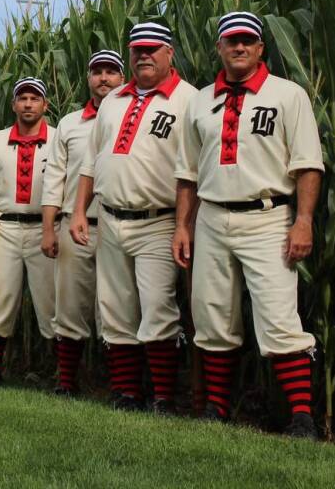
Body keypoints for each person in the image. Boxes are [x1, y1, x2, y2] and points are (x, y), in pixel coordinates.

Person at [173, 11, 324, 438]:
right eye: (230, 41)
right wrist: (183, 226)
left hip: (268, 216)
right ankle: (218, 409)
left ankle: (301, 418)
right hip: (213, 217)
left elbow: (308, 165)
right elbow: (187, 172)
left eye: (247, 41)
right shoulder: (200, 101)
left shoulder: (288, 95)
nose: (238, 47)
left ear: (260, 48)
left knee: (278, 319)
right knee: (213, 316)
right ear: (219, 48)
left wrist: (304, 221)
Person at [72, 22, 198, 413]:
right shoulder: (113, 101)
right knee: (115, 307)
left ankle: (162, 397)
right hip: (109, 217)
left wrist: (183, 225)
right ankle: (126, 394)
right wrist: (79, 210)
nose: (144, 55)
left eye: (152, 49)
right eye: (137, 50)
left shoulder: (189, 100)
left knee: (159, 306)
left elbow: (191, 172)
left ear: (169, 53)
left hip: (158, 220)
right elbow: (92, 163)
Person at [41, 50, 125, 394]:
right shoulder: (70, 123)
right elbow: (54, 180)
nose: (103, 78)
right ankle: (67, 383)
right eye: (96, 72)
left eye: (110, 72)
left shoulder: (131, 115)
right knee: (70, 306)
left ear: (122, 76)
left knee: (118, 307)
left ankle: (121, 388)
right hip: (75, 227)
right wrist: (49, 228)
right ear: (88, 78)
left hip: (119, 223)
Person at [0, 77, 57, 384]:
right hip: (6, 227)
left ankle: (65, 378)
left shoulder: (58, 139)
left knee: (52, 304)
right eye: (23, 98)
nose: (28, 104)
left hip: (47, 228)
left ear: (45, 105)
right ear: (13, 104)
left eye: (35, 98)